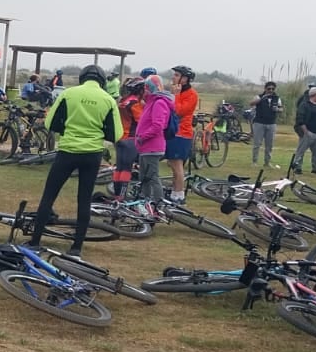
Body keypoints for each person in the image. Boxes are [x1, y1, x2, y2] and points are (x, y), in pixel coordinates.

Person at [26, 66, 123, 255]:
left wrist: (66, 129)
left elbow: (50, 123)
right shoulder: (108, 100)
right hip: (92, 154)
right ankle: (76, 247)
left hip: (68, 151)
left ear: (82, 78)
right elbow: (116, 133)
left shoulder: (69, 94)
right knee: (84, 199)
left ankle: (35, 241)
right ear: (102, 81)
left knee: (49, 195)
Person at [132, 74, 173, 203]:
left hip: (152, 147)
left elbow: (158, 126)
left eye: (146, 88)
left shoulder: (159, 103)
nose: (144, 91)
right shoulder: (151, 102)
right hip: (146, 148)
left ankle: (158, 204)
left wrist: (142, 137)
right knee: (144, 177)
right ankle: (145, 201)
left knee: (153, 177)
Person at [165, 65, 199, 201]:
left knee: (177, 165)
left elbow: (178, 111)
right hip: (172, 131)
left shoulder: (191, 95)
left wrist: (176, 95)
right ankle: (175, 191)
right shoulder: (174, 91)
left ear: (185, 79)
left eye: (177, 75)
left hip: (181, 133)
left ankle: (179, 195)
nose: (174, 77)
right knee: (172, 165)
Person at [292, 84, 316, 174]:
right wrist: (305, 131)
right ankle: (297, 167)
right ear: (315, 95)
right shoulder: (305, 105)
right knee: (301, 150)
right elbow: (300, 118)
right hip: (308, 132)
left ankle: (315, 167)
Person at [249, 80, 282, 167]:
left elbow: (281, 108)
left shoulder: (277, 98)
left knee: (269, 144)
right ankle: (254, 161)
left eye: (272, 89)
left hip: (271, 123)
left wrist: (278, 110)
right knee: (257, 143)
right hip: (259, 122)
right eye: (269, 88)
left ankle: (267, 162)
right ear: (265, 89)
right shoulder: (259, 96)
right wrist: (262, 98)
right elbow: (251, 103)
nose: (271, 90)